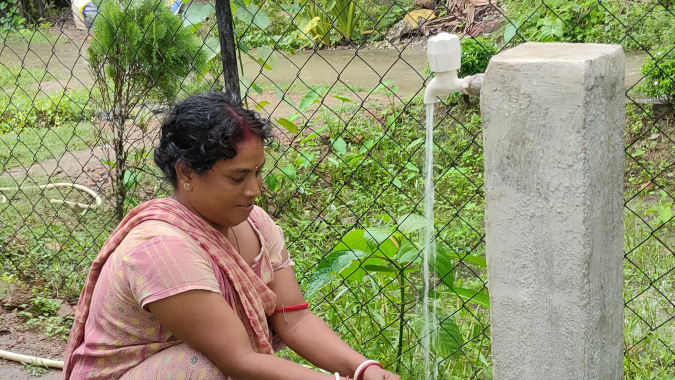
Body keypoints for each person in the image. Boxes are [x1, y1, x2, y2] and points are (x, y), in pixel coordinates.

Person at [63, 92, 402, 380]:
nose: (254, 190)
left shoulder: (255, 224)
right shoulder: (160, 250)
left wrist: (363, 369)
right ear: (186, 173)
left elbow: (294, 318)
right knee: (200, 366)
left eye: (257, 172)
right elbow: (237, 360)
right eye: (238, 177)